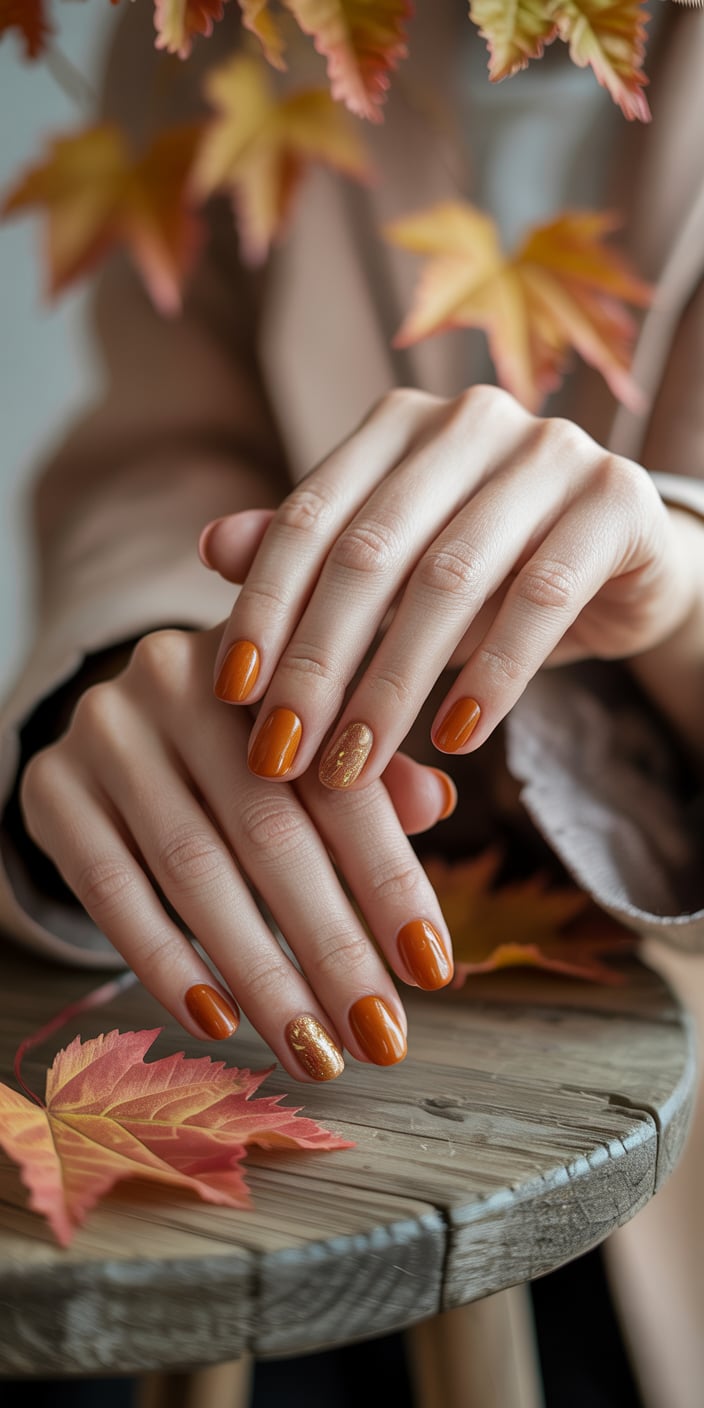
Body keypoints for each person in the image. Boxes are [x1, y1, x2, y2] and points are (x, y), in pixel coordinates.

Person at [1, 3, 703, 1406]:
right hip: (260, 998)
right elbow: (166, 454)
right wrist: (142, 660)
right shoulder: (230, 26)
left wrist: (680, 594)